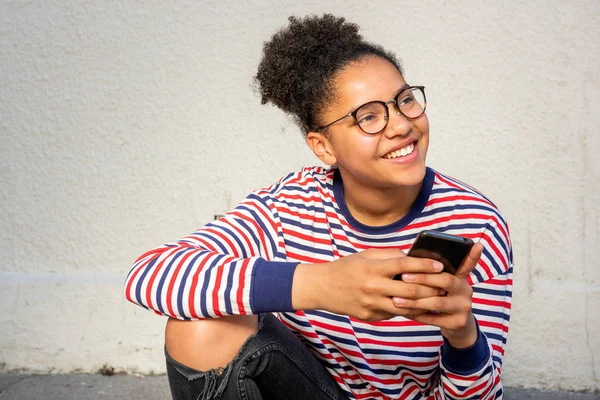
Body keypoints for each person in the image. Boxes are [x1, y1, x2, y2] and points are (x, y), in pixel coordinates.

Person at [125, 14, 513, 400]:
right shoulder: (289, 206)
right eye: (369, 117)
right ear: (323, 146)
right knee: (199, 326)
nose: (400, 125)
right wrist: (320, 285)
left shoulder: (475, 223)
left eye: (405, 100)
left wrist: (464, 339)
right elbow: (149, 275)